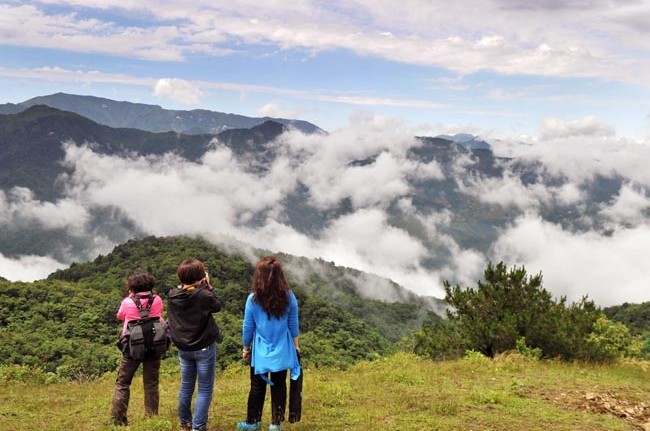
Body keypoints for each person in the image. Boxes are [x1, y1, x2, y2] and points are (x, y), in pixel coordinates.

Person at [236, 257, 301, 431]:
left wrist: (246, 347)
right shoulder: (289, 297)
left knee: (257, 387)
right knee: (279, 385)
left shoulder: (253, 299)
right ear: (281, 276)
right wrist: (296, 346)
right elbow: (293, 324)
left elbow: (247, 326)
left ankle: (253, 422)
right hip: (282, 348)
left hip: (260, 351)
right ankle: (275, 424)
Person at [167, 259, 223, 431]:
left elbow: (184, 289)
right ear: (201, 277)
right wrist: (208, 286)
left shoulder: (172, 295)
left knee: (186, 386)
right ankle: (198, 427)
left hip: (184, 347)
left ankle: (185, 422)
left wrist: (197, 284)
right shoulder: (203, 295)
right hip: (203, 346)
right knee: (205, 388)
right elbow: (217, 305)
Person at [111, 269, 164, 426]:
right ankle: (151, 418)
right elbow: (158, 315)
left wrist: (130, 298)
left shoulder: (127, 302)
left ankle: (119, 419)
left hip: (132, 347)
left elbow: (120, 316)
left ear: (131, 287)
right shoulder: (157, 300)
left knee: (123, 383)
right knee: (151, 383)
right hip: (154, 345)